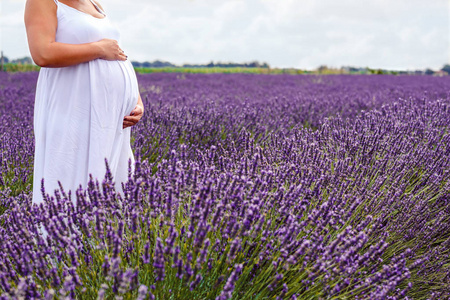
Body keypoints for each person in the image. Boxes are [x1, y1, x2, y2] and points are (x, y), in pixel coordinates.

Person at [24, 0, 144, 204]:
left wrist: (136, 101)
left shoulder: (94, 3)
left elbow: (117, 53)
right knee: (69, 178)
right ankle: (65, 234)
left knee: (113, 183)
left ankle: (103, 235)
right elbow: (42, 53)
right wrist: (98, 48)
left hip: (111, 121)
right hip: (72, 110)